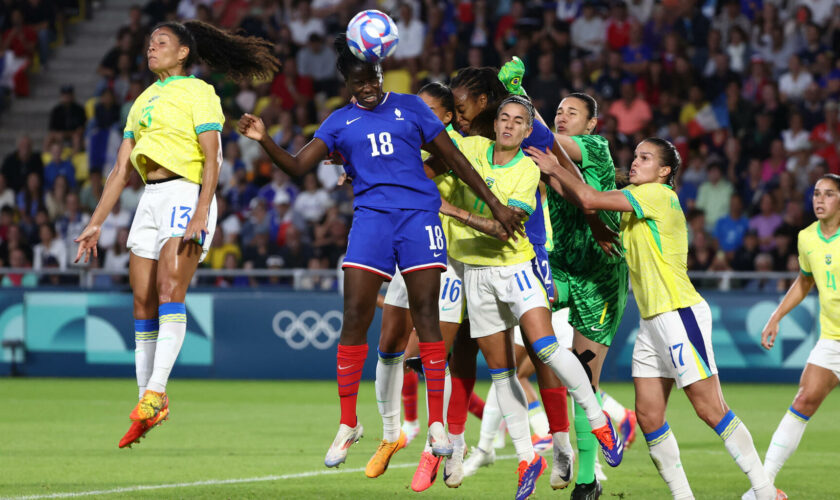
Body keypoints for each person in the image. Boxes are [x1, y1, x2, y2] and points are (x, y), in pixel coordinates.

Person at [237, 34, 523, 472]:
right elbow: (297, 166)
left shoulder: (411, 107)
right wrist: (263, 139)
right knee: (355, 314)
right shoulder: (338, 122)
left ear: (380, 73)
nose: (366, 86)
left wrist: (496, 204)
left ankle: (436, 428)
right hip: (371, 219)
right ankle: (349, 423)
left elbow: (457, 162)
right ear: (347, 84)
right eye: (358, 81)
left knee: (427, 315)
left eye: (371, 77)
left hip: (418, 218)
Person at [528, 138, 785, 500]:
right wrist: (552, 173)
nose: (635, 162)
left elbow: (587, 198)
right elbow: (581, 199)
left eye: (645, 158)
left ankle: (765, 490)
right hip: (651, 323)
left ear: (665, 172)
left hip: (679, 313)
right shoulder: (636, 200)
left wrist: (554, 166)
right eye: (635, 156)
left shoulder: (658, 196)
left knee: (710, 408)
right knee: (648, 417)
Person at [74, 20, 279, 449]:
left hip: (187, 192)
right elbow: (119, 170)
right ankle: (149, 400)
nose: (152, 49)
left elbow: (213, 155)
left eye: (161, 43)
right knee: (143, 300)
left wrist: (203, 210)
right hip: (149, 200)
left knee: (170, 289)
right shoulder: (142, 100)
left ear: (183, 52)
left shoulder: (199, 91)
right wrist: (95, 221)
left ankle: (153, 393)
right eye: (149, 44)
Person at [438, 96, 622, 500]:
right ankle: (526, 457)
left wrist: (450, 209)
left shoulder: (526, 168)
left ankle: (598, 419)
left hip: (518, 269)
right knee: (502, 373)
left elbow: (503, 227)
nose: (508, 125)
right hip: (477, 275)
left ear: (527, 131)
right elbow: (432, 138)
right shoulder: (471, 148)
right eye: (503, 117)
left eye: (518, 121)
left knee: (548, 349)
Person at [368, 82, 476, 489]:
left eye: (428, 111)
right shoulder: (404, 148)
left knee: (426, 357)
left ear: (446, 118)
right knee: (389, 343)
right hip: (407, 251)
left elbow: (416, 172)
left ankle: (443, 444)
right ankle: (391, 432)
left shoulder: (454, 152)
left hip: (449, 259)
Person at [741, 174, 840, 499]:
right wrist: (776, 316)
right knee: (803, 400)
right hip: (832, 339)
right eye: (816, 193)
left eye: (828, 194)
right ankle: (763, 488)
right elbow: (805, 281)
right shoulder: (807, 237)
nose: (819, 199)